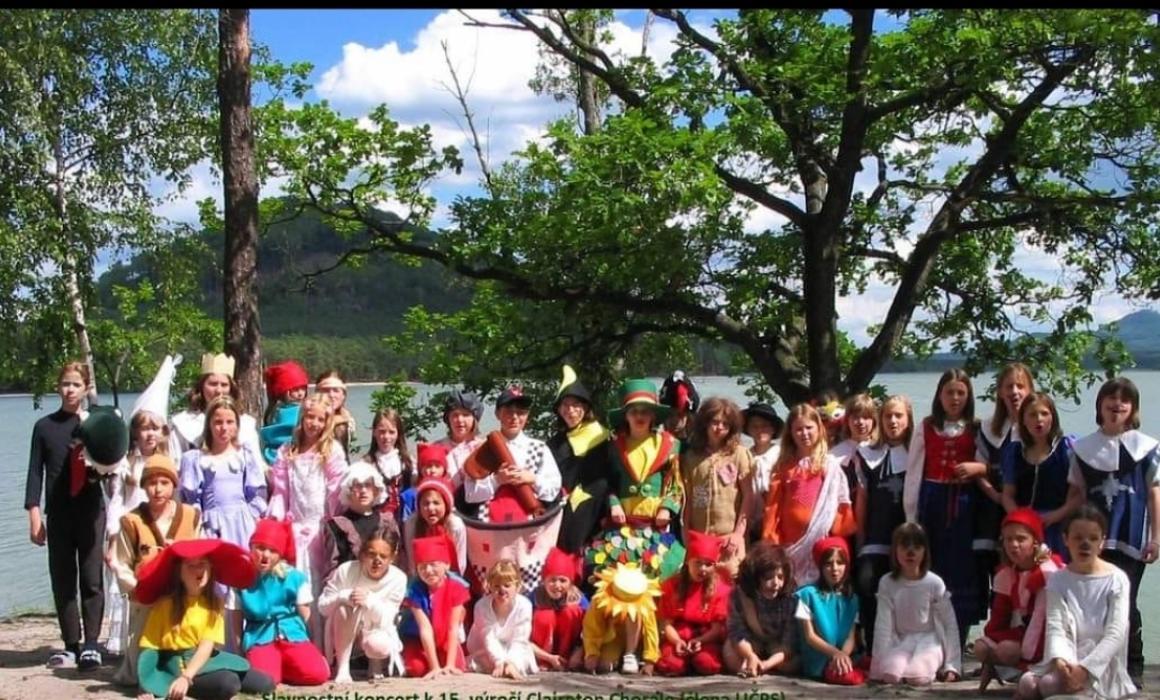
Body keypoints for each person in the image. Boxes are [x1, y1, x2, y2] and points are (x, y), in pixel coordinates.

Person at [1066, 377, 1159, 686]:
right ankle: (1097, 667)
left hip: (1131, 539)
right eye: (1111, 398)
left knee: (1126, 602)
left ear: (1133, 407)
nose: (1117, 404)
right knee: (1094, 604)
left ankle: (1133, 665)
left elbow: (1154, 494)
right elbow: (1077, 495)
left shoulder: (1146, 448)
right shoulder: (1082, 449)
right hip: (1092, 540)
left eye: (1125, 399)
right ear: (1100, 405)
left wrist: (1156, 537)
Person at [24, 362, 112, 671]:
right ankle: (71, 645)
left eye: (76, 384)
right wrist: (34, 515)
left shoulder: (95, 424)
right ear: (57, 387)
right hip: (59, 514)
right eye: (65, 384)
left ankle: (92, 644)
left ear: (86, 388)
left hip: (91, 512)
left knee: (91, 579)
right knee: (62, 579)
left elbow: (112, 464)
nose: (70, 389)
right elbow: (35, 473)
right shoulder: (44, 427)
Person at [903, 368, 990, 647]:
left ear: (968, 396)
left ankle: (958, 641)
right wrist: (911, 516)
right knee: (933, 566)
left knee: (962, 571)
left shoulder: (977, 428)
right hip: (932, 504)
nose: (955, 398)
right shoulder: (927, 426)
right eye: (949, 392)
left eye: (961, 393)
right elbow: (914, 472)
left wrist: (978, 468)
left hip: (964, 507)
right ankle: (930, 639)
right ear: (939, 395)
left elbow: (989, 465)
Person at [1015, 506, 1136, 699]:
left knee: (1049, 686)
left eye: (1093, 538)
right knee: (1028, 684)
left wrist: (1085, 670)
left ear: (1102, 542)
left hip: (1101, 662)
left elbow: (1116, 633)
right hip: (1068, 656)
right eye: (1078, 538)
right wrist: (1061, 662)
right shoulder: (1058, 579)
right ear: (1066, 539)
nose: (1085, 544)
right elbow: (1056, 627)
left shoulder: (1117, 579)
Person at [104, 355, 180, 659]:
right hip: (129, 532)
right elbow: (117, 502)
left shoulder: (170, 463)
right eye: (143, 428)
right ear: (134, 432)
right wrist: (112, 539)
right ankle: (128, 648)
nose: (149, 434)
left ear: (163, 432)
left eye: (154, 428)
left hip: (159, 533)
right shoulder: (127, 464)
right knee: (129, 586)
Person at [132, 539, 273, 700]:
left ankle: (200, 681)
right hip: (177, 664)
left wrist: (187, 677)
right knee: (228, 683)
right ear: (179, 572)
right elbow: (149, 647)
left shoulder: (214, 603)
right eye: (191, 565)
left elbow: (206, 646)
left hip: (204, 658)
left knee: (266, 683)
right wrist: (146, 684)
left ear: (210, 568)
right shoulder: (165, 605)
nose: (198, 570)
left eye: (202, 564)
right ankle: (180, 685)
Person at [110, 454, 202, 686]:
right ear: (143, 486)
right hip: (146, 597)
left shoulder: (190, 516)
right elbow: (121, 563)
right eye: (152, 483)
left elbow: (201, 555)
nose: (158, 489)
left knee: (183, 653)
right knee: (141, 663)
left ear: (173, 485)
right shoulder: (131, 521)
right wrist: (138, 589)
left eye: (164, 482)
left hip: (181, 594)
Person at [587, 379, 685, 581]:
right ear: (626, 416)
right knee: (616, 580)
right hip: (622, 527)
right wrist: (613, 503)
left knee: (660, 577)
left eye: (645, 411)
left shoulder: (670, 444)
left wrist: (667, 508)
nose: (640, 416)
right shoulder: (613, 446)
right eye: (634, 412)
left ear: (653, 415)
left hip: (656, 525)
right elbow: (605, 482)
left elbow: (676, 483)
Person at [267, 393, 348, 612]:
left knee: (318, 583)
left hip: (319, 528)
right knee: (295, 582)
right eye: (310, 417)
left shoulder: (330, 451)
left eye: (321, 419)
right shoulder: (288, 450)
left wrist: (332, 524)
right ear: (302, 418)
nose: (314, 423)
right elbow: (281, 491)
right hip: (294, 527)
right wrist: (277, 522)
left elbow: (336, 490)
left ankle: (319, 630)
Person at [762, 403, 856, 587]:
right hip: (790, 544)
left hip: (820, 541)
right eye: (798, 429)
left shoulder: (829, 465)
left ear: (819, 429)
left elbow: (839, 504)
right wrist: (771, 539)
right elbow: (773, 507)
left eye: (809, 428)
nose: (804, 433)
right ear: (790, 433)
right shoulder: (783, 467)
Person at [973, 508, 1062, 692]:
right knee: (981, 647)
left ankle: (1029, 674)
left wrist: (1024, 660)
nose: (1014, 545)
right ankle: (1000, 671)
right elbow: (998, 619)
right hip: (1023, 632)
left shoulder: (1047, 573)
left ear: (1035, 542)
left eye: (1021, 539)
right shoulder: (1006, 574)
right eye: (1008, 539)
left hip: (1048, 639)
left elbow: (1039, 622)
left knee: (1007, 650)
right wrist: (990, 648)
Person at [236, 519, 330, 687]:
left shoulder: (294, 577)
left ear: (280, 555)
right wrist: (239, 654)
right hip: (260, 636)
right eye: (260, 548)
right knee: (265, 681)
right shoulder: (240, 580)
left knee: (317, 674)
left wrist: (312, 646)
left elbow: (306, 615)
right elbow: (235, 620)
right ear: (251, 548)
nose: (265, 555)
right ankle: (276, 666)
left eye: (272, 551)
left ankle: (288, 665)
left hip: (291, 633)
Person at [853, 394, 912, 655]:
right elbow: (863, 498)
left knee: (903, 593)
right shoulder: (867, 454)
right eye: (888, 416)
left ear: (908, 419)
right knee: (868, 586)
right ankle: (872, 648)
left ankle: (901, 649)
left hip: (906, 536)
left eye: (899, 415)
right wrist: (860, 536)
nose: (893, 421)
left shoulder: (917, 453)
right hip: (875, 534)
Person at [869, 523, 961, 686]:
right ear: (895, 550)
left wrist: (952, 666)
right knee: (890, 675)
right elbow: (883, 625)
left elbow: (949, 624)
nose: (910, 552)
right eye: (904, 546)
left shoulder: (934, 583)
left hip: (929, 642)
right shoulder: (887, 582)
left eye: (917, 547)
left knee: (917, 677)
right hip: (901, 642)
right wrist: (877, 668)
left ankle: (927, 669)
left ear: (925, 551)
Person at [318, 525, 408, 682]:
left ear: (392, 557)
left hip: (374, 629)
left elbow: (389, 619)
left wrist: (369, 600)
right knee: (344, 608)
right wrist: (343, 596)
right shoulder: (346, 570)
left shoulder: (399, 578)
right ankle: (343, 667)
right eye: (372, 554)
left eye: (383, 556)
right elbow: (322, 607)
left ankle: (375, 663)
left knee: (379, 646)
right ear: (363, 553)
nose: (377, 561)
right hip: (343, 628)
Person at [179, 395, 268, 551]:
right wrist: (198, 523)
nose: (224, 428)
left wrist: (251, 516)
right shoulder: (196, 459)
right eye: (218, 422)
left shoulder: (244, 456)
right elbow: (192, 499)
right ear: (209, 425)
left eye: (230, 422)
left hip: (242, 523)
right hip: (213, 525)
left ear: (237, 425)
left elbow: (256, 493)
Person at [463, 386, 561, 524]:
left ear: (527, 415)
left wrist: (532, 479)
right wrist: (497, 480)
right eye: (508, 412)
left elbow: (553, 490)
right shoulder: (483, 449)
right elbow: (470, 495)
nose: (514, 417)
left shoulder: (539, 449)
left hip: (530, 524)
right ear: (497, 414)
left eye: (520, 413)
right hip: (489, 525)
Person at [680, 398, 754, 578]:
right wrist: (686, 536)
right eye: (715, 422)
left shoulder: (739, 454)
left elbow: (748, 496)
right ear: (705, 423)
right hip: (700, 538)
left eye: (725, 424)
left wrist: (738, 534)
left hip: (729, 539)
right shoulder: (691, 457)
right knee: (699, 585)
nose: (719, 427)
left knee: (731, 584)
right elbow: (686, 500)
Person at [1001, 392, 1079, 557]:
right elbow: (1007, 495)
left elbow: (1078, 494)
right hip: (1023, 529)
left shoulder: (1067, 449)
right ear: (1023, 420)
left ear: (1053, 418)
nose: (1039, 419)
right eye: (1032, 414)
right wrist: (1021, 519)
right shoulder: (1014, 452)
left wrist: (1055, 516)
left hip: (1057, 526)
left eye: (1044, 413)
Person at [546, 365, 612, 555]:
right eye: (565, 405)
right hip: (561, 512)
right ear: (558, 409)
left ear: (585, 407)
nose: (571, 410)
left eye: (576, 405)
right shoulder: (554, 444)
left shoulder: (603, 438)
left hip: (596, 512)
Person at [170, 353, 265, 471]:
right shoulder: (183, 423)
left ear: (231, 388)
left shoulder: (245, 424)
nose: (219, 390)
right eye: (213, 384)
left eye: (224, 385)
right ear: (202, 387)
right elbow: (174, 465)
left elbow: (257, 466)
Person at [655, 530, 732, 676]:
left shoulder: (721, 589)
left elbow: (717, 628)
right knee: (671, 665)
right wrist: (677, 641)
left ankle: (694, 662)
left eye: (708, 564)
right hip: (678, 634)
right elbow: (666, 624)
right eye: (698, 563)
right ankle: (685, 663)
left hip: (706, 637)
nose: (702, 569)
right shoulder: (672, 585)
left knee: (707, 664)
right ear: (688, 561)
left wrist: (700, 640)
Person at [794, 536, 864, 686]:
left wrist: (842, 657)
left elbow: (850, 637)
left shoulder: (852, 599)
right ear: (820, 566)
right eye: (828, 564)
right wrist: (834, 654)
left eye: (840, 563)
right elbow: (809, 636)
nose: (835, 569)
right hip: (819, 660)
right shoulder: (807, 595)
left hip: (841, 657)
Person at [399, 535, 470, 678]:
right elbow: (424, 629)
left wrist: (450, 664)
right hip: (418, 639)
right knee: (416, 669)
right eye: (422, 567)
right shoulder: (414, 590)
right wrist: (434, 667)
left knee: (456, 666)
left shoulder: (457, 587)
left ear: (446, 565)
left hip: (445, 638)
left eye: (433, 564)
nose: (428, 570)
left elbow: (453, 627)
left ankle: (448, 661)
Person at [723, 541, 797, 678]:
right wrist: (750, 655)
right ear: (754, 577)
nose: (775, 583)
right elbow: (737, 632)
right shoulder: (740, 595)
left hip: (779, 646)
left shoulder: (791, 597)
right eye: (768, 578)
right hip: (751, 641)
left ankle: (759, 666)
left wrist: (766, 664)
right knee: (732, 658)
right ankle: (752, 663)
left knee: (791, 665)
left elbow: (790, 640)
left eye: (780, 577)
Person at [321, 461, 401, 580]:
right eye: (357, 486)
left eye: (368, 485)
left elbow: (396, 559)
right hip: (350, 586)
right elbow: (333, 569)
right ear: (348, 491)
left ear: (376, 490)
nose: (363, 490)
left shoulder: (387, 522)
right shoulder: (337, 526)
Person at [582, 562, 662, 675]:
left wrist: (650, 660)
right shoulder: (600, 599)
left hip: (637, 640)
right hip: (612, 638)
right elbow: (592, 627)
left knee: (633, 613)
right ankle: (617, 661)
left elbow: (651, 630)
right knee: (603, 667)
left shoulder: (645, 601)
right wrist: (592, 653)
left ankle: (631, 654)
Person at [467, 559, 538, 679]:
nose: (502, 590)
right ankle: (502, 666)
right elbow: (488, 638)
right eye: (496, 586)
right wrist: (499, 661)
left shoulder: (525, 605)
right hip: (485, 648)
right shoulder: (481, 606)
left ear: (517, 587)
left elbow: (520, 638)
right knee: (483, 662)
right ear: (490, 587)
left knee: (522, 659)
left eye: (507, 585)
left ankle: (511, 668)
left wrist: (511, 662)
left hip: (513, 647)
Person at [529, 548, 587, 671]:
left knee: (571, 612)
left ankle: (566, 658)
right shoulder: (535, 596)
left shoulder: (578, 597)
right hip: (541, 650)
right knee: (544, 616)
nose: (557, 585)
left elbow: (591, 628)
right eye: (552, 580)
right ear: (544, 580)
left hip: (571, 648)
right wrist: (547, 657)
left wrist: (581, 650)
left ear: (570, 583)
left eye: (563, 580)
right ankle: (544, 661)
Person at [402, 476, 467, 576]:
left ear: (446, 505)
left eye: (436, 503)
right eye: (425, 503)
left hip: (449, 576)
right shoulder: (411, 523)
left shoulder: (455, 525)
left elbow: (460, 561)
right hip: (421, 576)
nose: (431, 508)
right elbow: (412, 560)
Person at [742, 402, 783, 543]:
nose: (760, 430)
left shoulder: (782, 456)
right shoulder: (745, 456)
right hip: (749, 522)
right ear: (748, 430)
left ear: (773, 429)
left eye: (765, 426)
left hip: (775, 523)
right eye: (755, 426)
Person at [363, 408, 414, 521]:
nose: (386, 437)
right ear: (374, 432)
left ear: (398, 433)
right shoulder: (367, 464)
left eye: (391, 432)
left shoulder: (407, 461)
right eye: (382, 431)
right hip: (377, 520)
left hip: (405, 519)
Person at [260, 360, 310, 465]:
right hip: (284, 457)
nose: (300, 393)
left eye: (303, 388)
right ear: (284, 391)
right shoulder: (281, 412)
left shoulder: (273, 410)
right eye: (295, 389)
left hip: (273, 457)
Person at [433, 390, 486, 487]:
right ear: (448, 418)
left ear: (474, 418)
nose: (460, 420)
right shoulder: (437, 448)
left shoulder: (483, 447)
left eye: (465, 415)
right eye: (455, 415)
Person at [315, 370, 357, 458]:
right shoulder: (306, 418)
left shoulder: (348, 420)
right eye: (326, 390)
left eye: (336, 390)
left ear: (343, 395)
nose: (331, 395)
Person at [659, 370, 700, 441]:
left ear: (688, 416)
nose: (675, 420)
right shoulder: (655, 443)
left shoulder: (699, 445)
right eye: (670, 414)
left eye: (680, 415)